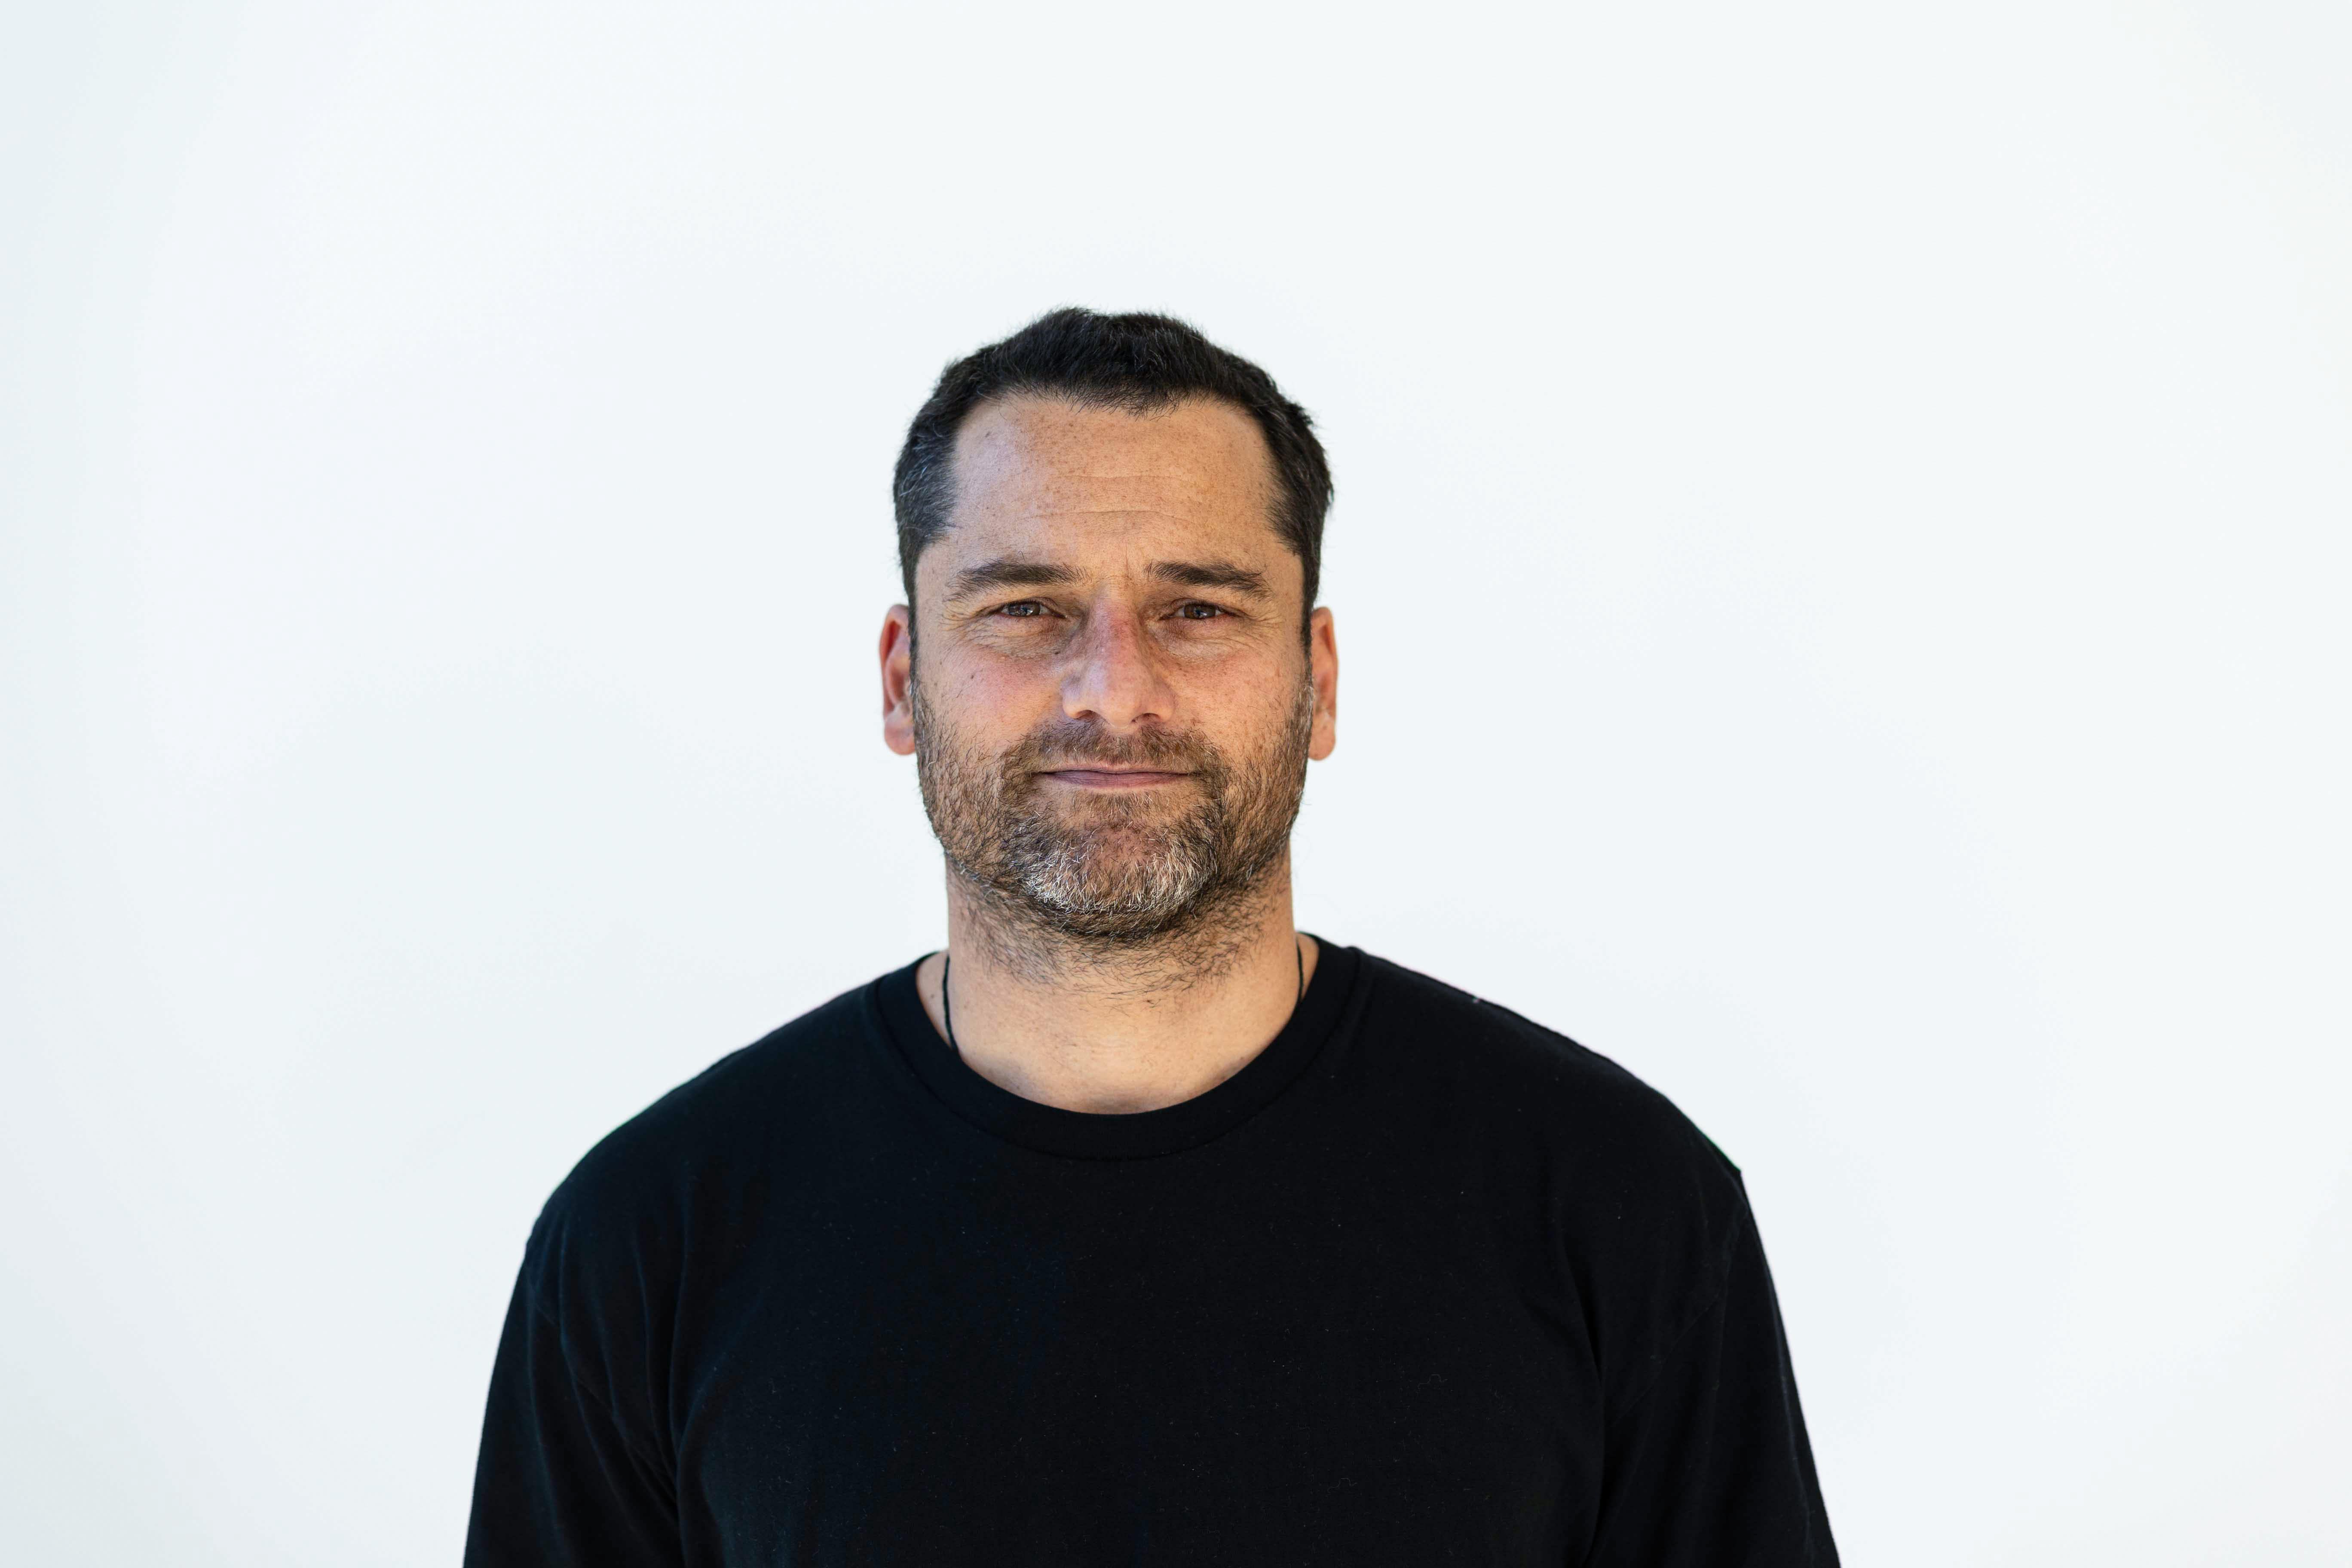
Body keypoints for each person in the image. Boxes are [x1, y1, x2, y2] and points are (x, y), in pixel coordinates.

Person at [463, 308, 1838, 1565]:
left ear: (1318, 683)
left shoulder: (1617, 1210)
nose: (1113, 688)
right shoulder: (654, 1242)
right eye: (1025, 608)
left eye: (1197, 609)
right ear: (902, 679)